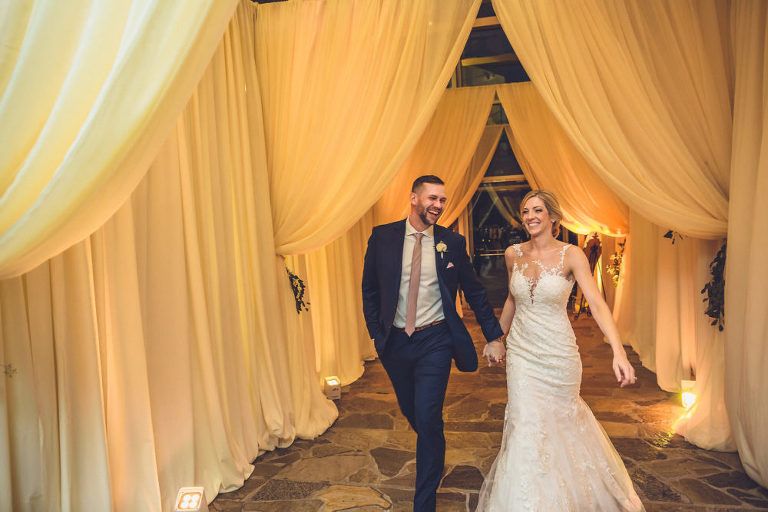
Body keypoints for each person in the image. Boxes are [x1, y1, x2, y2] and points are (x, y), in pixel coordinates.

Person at [477, 190, 644, 511]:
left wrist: (618, 352)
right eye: (525, 211)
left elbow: (596, 303)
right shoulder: (513, 254)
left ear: (553, 216)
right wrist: (497, 337)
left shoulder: (573, 255)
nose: (530, 216)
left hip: (559, 354)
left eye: (537, 210)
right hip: (523, 353)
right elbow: (513, 299)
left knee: (561, 423)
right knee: (525, 424)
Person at [362, 175, 503, 512]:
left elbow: (474, 290)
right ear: (414, 198)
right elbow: (370, 288)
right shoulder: (383, 237)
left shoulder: (452, 243)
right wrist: (375, 334)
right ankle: (434, 448)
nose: (438, 205)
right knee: (415, 414)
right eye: (433, 198)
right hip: (395, 343)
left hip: (435, 341)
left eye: (442, 200)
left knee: (427, 417)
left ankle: (423, 502)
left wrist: (494, 335)